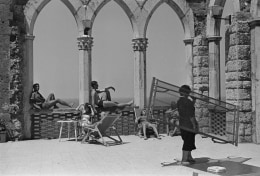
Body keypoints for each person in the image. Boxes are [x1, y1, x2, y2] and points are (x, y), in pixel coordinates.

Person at [177, 85, 199, 165]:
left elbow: (187, 108)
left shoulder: (179, 101)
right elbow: (191, 115)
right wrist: (194, 126)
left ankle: (189, 157)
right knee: (187, 142)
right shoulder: (188, 102)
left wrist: (193, 101)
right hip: (188, 125)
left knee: (189, 141)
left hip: (182, 124)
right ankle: (184, 159)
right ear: (187, 92)